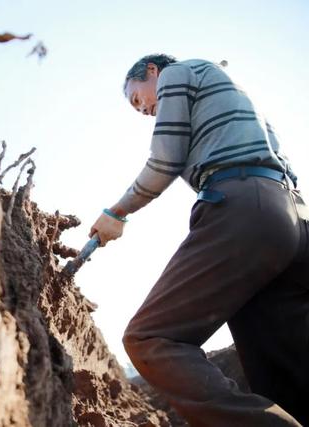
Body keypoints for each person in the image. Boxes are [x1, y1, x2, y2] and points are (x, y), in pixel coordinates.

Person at [89, 54, 309, 426]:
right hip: (291, 217)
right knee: (281, 363)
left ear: (153, 72)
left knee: (150, 338)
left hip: (245, 209)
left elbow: (165, 159)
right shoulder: (232, 95)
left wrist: (117, 212)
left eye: (136, 97)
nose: (141, 109)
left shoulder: (177, 72)